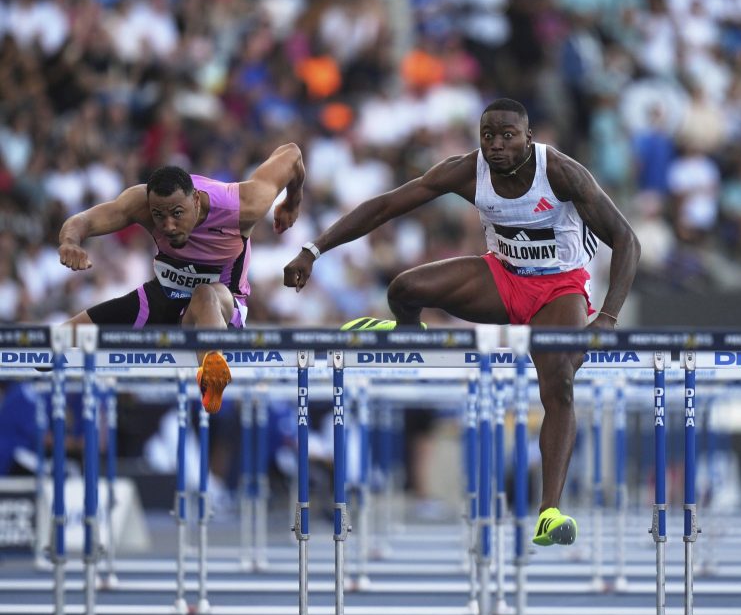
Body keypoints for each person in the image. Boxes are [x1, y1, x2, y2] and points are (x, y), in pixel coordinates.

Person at [283, 98, 640, 546]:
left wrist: (607, 317)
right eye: (487, 135)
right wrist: (313, 250)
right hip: (503, 277)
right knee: (403, 290)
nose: (495, 145)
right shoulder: (468, 170)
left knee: (559, 383)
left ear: (529, 137)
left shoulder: (562, 172)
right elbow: (387, 206)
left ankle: (549, 511)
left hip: (560, 289)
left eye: (507, 135)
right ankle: (412, 341)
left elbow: (627, 239)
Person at [58, 143, 306, 413]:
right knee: (54, 345)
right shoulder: (139, 202)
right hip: (161, 297)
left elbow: (292, 154)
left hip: (220, 307)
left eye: (177, 214)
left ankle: (212, 374)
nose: (168, 226)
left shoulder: (242, 205)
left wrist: (292, 202)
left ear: (196, 201)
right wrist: (70, 241)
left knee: (205, 293)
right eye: (158, 216)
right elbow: (84, 220)